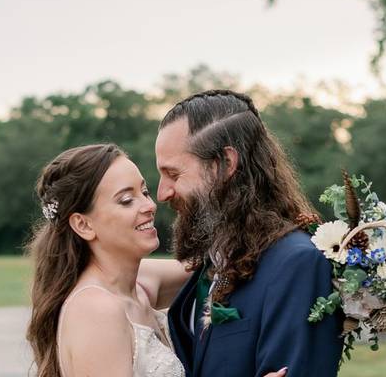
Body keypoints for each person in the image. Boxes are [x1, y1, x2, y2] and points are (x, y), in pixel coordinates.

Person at [26, 143, 289, 377]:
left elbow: (219, 262)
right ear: (83, 225)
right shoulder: (96, 310)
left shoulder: (140, 283)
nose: (149, 205)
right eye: (126, 200)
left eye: (145, 191)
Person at [156, 90, 341, 377]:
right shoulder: (216, 258)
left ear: (225, 164)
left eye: (174, 175)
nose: (162, 193)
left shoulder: (296, 264)